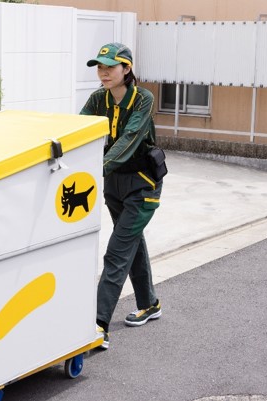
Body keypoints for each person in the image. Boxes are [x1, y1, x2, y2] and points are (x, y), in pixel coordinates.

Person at [80, 42, 163, 350]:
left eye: (109, 67)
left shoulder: (143, 98)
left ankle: (98, 324)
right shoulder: (97, 99)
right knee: (131, 245)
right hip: (114, 185)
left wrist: (97, 167)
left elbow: (130, 138)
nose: (103, 73)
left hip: (143, 186)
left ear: (126, 69)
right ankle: (150, 304)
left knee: (117, 252)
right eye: (99, 67)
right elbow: (78, 129)